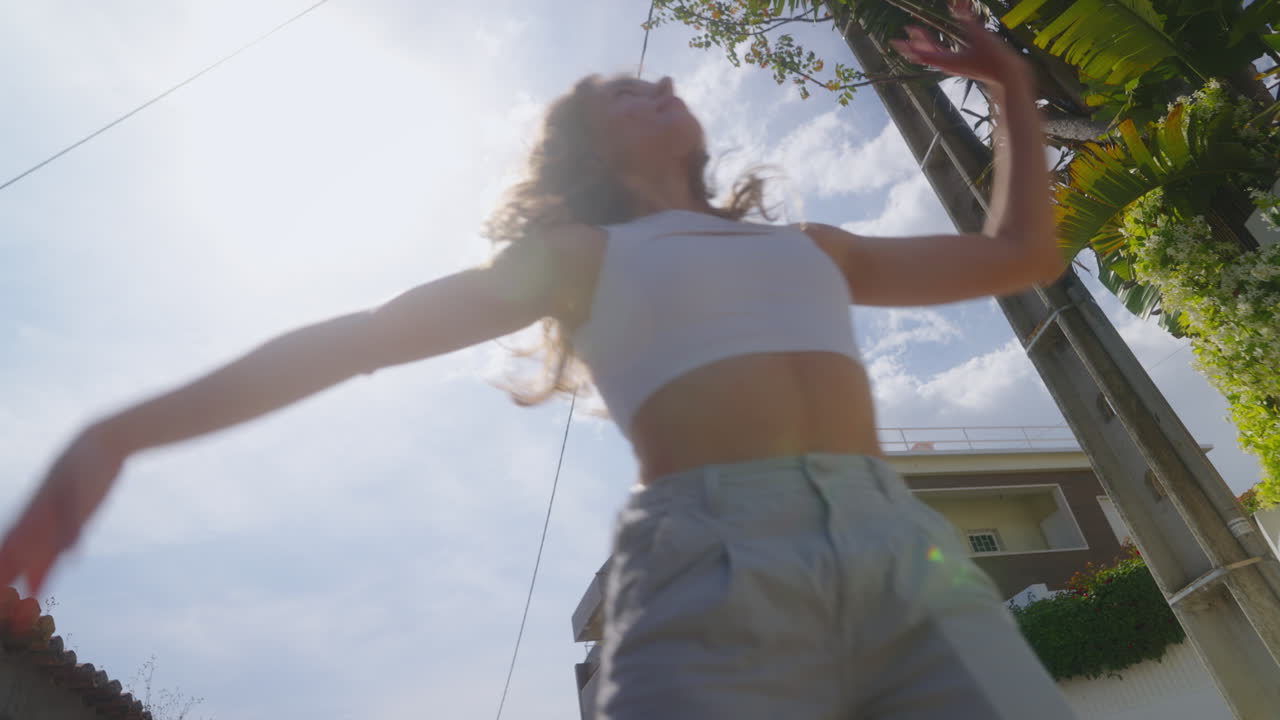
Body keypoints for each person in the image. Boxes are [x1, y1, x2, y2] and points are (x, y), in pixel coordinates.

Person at [1, 5, 1075, 718]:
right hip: (710, 568)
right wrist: (120, 434)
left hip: (908, 557)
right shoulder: (579, 254)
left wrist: (1009, 88)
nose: (648, 86)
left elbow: (1017, 253)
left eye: (653, 83)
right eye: (615, 91)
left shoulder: (811, 249)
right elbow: (363, 336)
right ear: (584, 149)